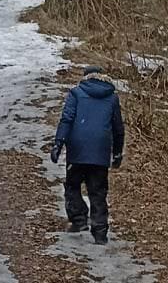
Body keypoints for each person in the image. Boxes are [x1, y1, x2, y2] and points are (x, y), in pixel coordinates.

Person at [50, 65, 125, 244]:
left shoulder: (76, 93)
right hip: (100, 150)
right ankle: (100, 232)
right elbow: (118, 129)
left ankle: (79, 220)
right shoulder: (112, 98)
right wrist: (117, 153)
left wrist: (58, 143)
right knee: (98, 191)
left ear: (85, 77)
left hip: (77, 148)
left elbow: (67, 119)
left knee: (72, 185)